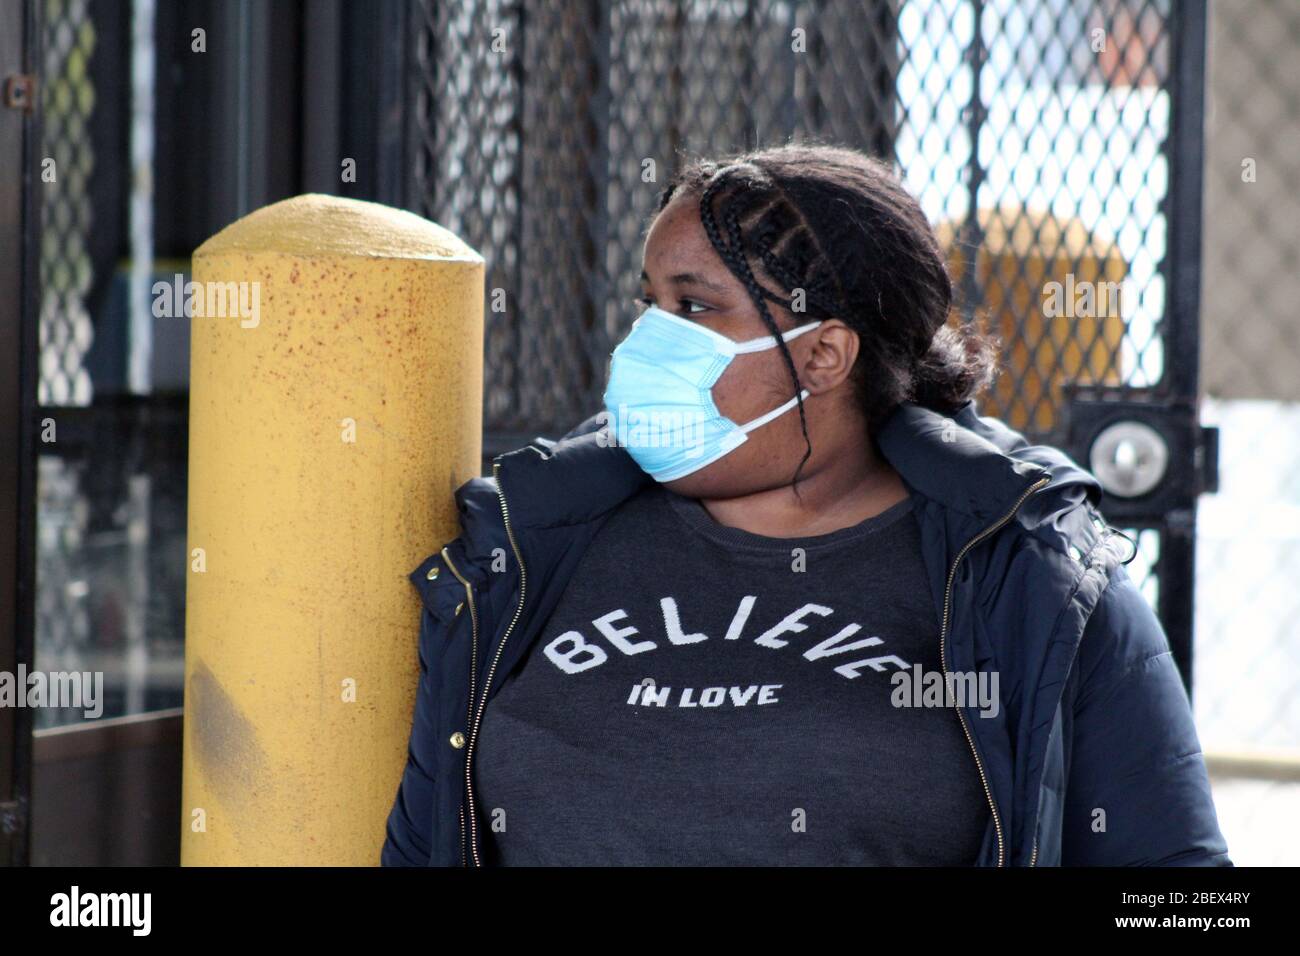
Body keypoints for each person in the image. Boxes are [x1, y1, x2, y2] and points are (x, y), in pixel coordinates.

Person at [381, 142, 1231, 867]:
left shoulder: (1031, 573)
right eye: (650, 303)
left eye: (695, 306)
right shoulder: (522, 552)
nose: (647, 340)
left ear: (825, 354)